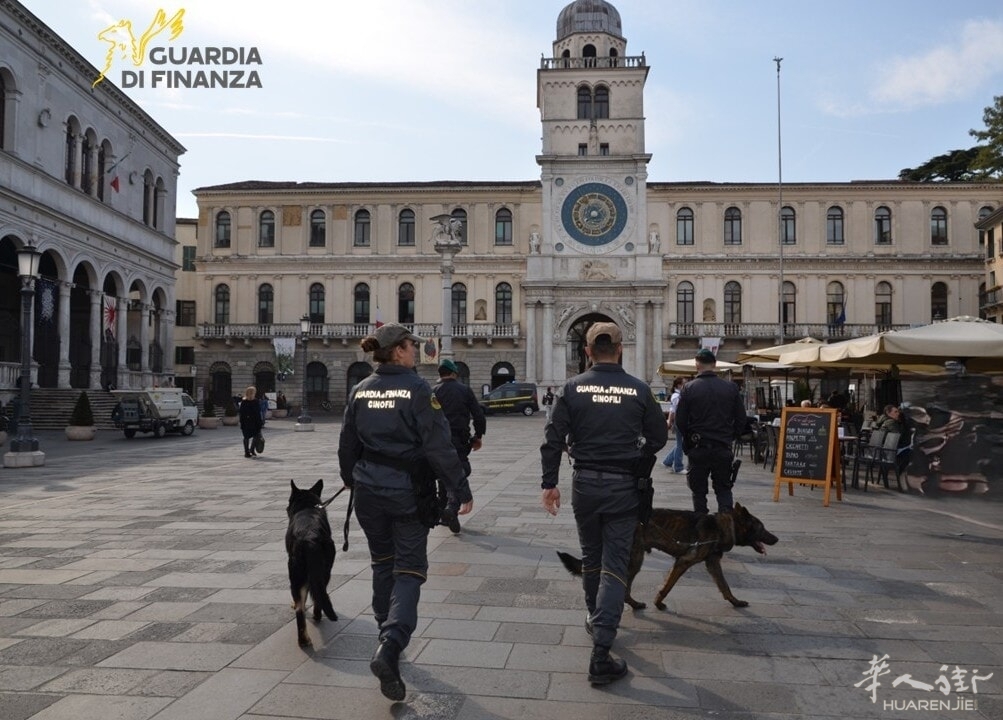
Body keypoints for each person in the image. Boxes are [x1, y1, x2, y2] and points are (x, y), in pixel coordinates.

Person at [338, 323, 474, 702]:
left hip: (368, 493)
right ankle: (391, 644)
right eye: (412, 346)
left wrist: (353, 479)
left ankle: (385, 631)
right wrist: (458, 487)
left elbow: (346, 445)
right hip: (406, 494)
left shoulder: (360, 390)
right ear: (397, 351)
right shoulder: (417, 390)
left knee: (383, 564)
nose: (416, 350)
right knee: (410, 570)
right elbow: (438, 446)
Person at [540, 322, 667, 686]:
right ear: (621, 348)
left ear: (587, 351)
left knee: (592, 557)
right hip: (623, 486)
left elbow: (552, 438)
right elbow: (659, 436)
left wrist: (550, 484)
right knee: (614, 564)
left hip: (585, 485)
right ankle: (601, 650)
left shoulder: (572, 388)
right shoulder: (639, 389)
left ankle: (595, 617)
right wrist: (634, 453)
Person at [675, 349, 747, 514]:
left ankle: (701, 527)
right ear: (714, 365)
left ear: (697, 365)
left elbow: (680, 421)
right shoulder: (730, 388)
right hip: (722, 446)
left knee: (698, 492)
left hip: (698, 447)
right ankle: (727, 525)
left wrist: (689, 441)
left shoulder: (689, 388)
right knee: (723, 489)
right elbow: (741, 418)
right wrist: (731, 436)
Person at [432, 358, 486, 534]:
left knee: (442, 474)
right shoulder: (464, 390)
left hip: (439, 442)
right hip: (460, 440)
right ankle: (452, 507)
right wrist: (478, 435)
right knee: (460, 471)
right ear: (454, 373)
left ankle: (445, 511)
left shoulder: (432, 392)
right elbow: (478, 415)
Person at [660, 377, 686, 472]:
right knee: (680, 444)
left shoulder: (679, 395)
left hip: (679, 421)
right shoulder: (676, 396)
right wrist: (669, 421)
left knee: (680, 443)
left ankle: (668, 461)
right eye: (684, 383)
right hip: (679, 421)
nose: (685, 385)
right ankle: (678, 467)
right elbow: (673, 411)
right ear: (678, 385)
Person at [238, 386, 263, 458]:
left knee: (250, 437)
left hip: (248, 422)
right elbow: (257, 413)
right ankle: (248, 451)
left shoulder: (245, 402)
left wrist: (242, 422)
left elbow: (241, 413)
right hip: (252, 422)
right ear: (252, 393)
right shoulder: (254, 402)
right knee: (252, 436)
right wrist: (260, 423)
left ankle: (250, 450)